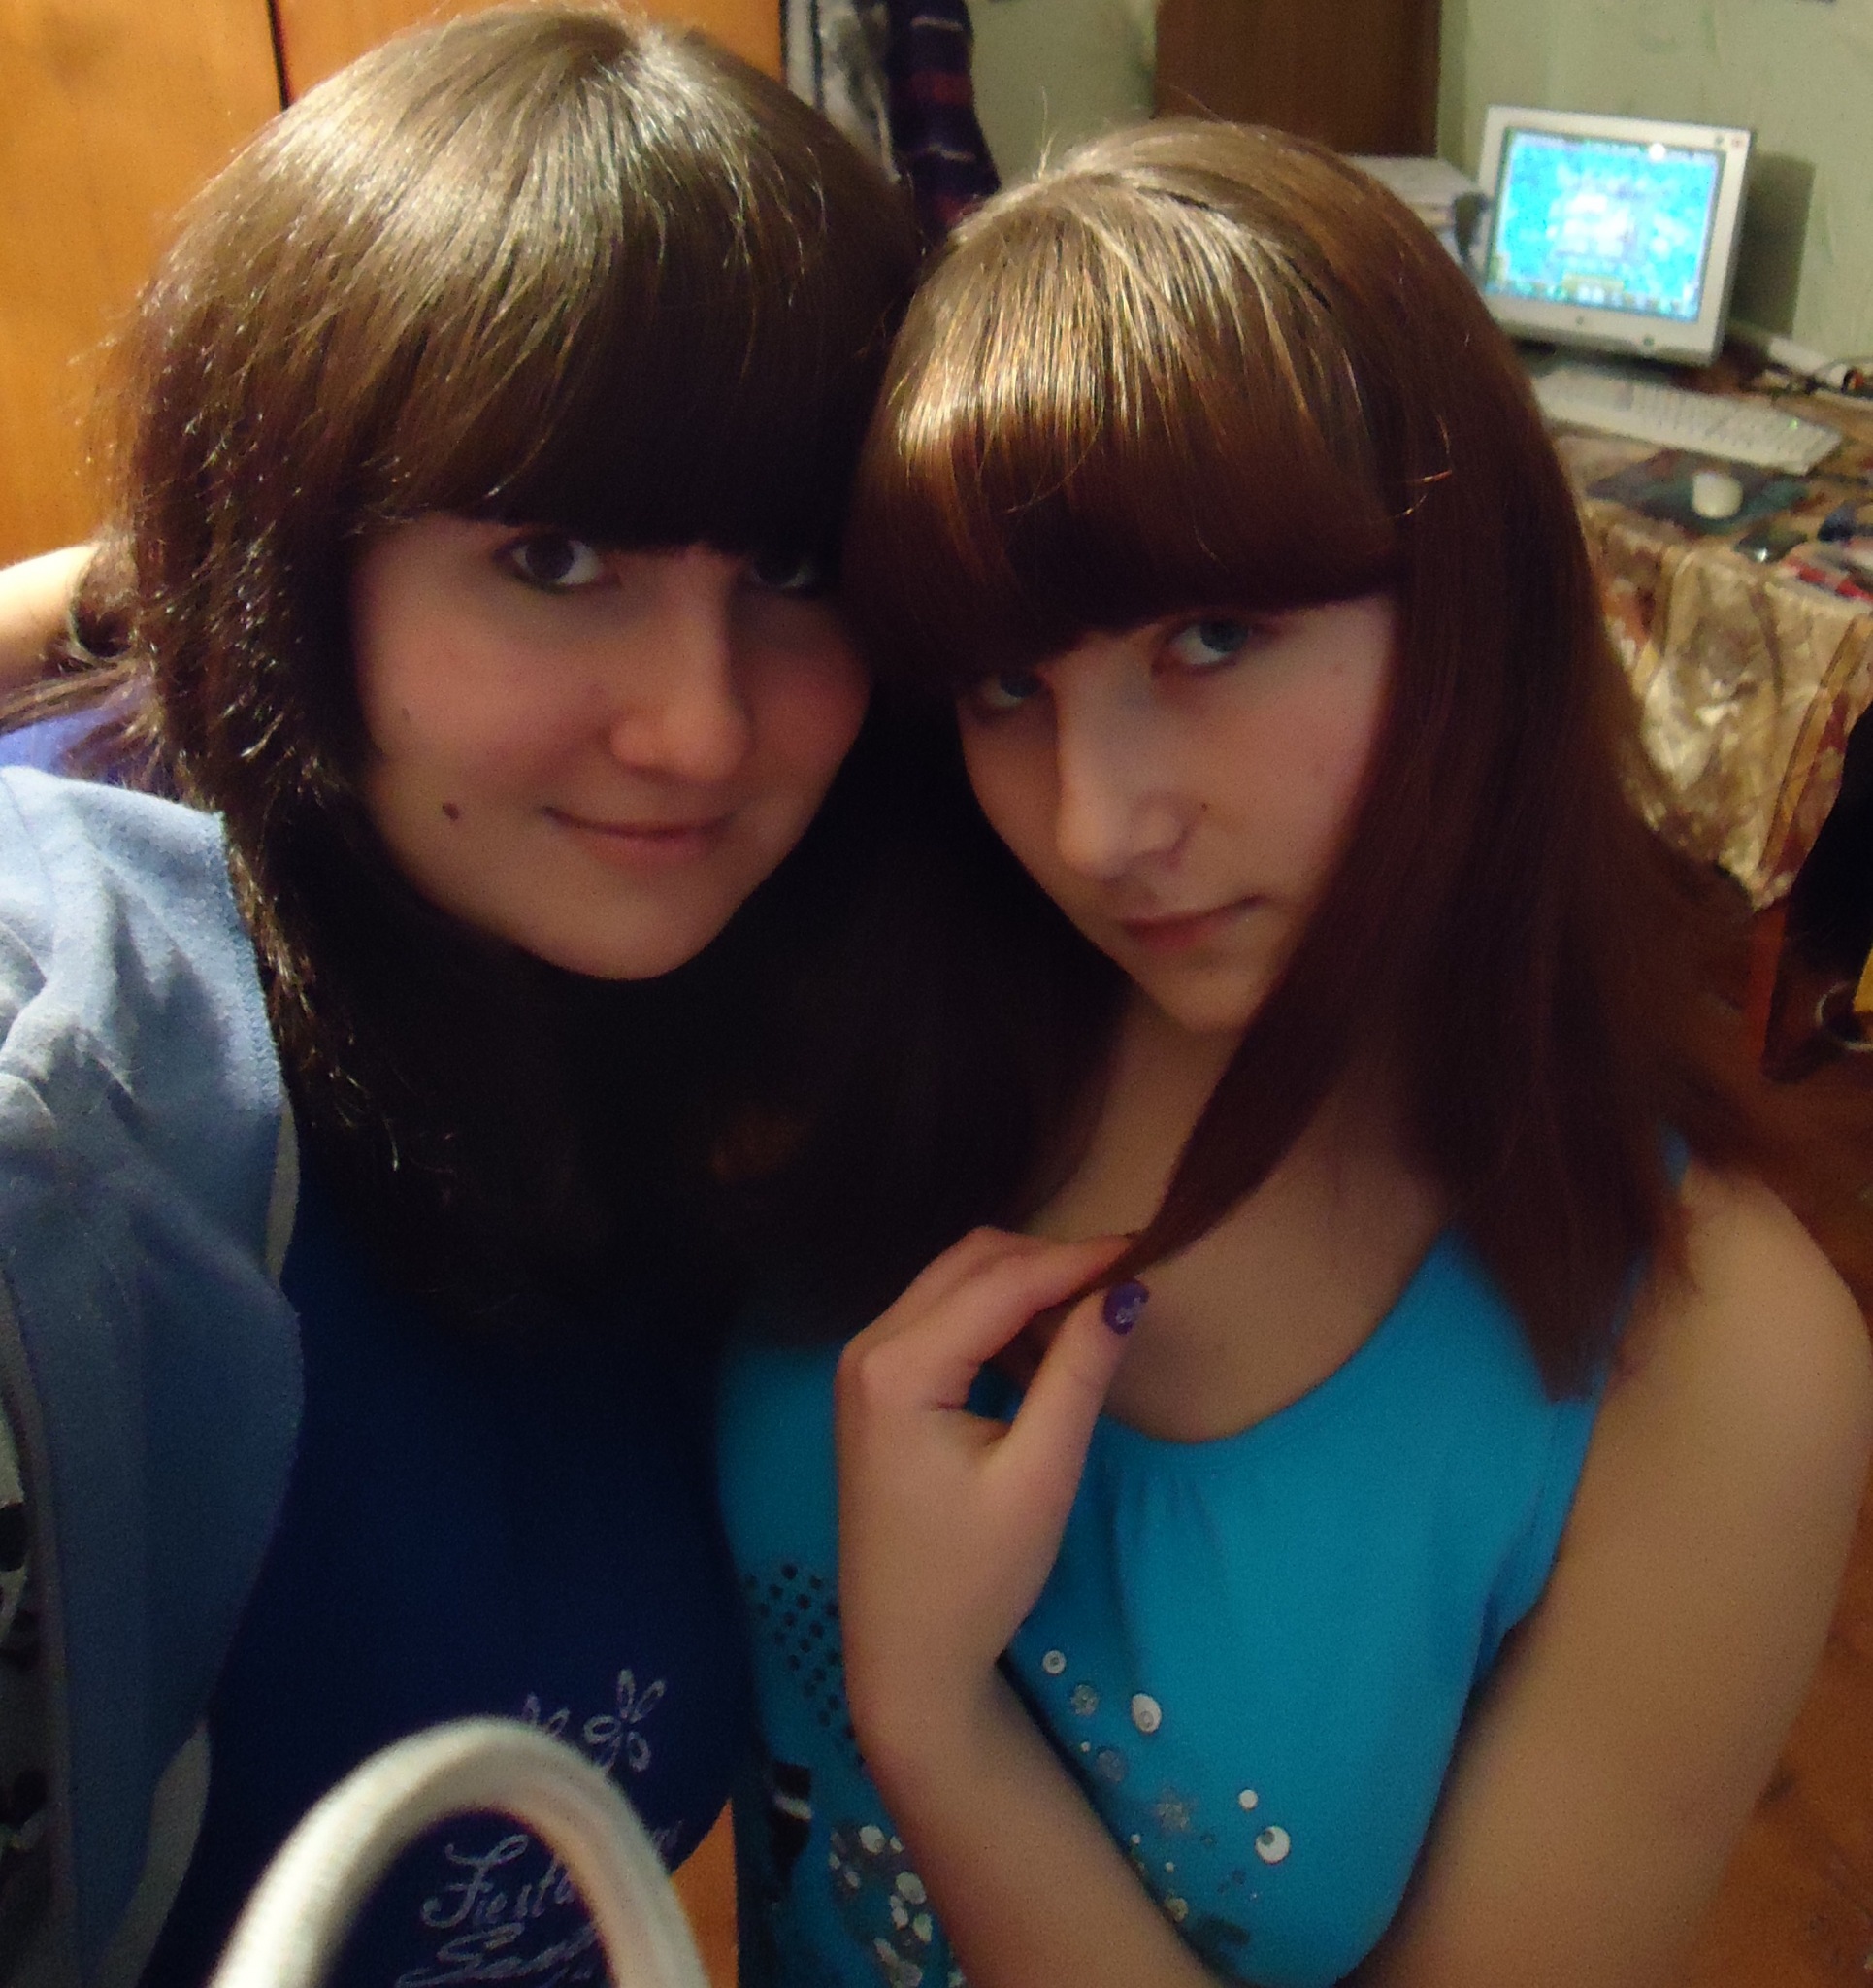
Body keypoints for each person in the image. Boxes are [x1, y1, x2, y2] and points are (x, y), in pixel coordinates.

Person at [716, 122, 1873, 1988]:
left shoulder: (1714, 1365)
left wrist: (934, 1716)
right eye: (1007, 687)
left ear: (1475, 605)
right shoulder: (893, 1018)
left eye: (1210, 637)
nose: (1094, 827)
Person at [0, 11, 920, 1986]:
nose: (699, 730)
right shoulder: (93, 1104)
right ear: (286, 562)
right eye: (555, 555)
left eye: (792, 563)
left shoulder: (803, 980)